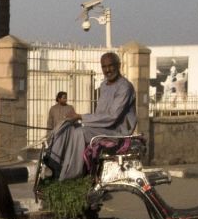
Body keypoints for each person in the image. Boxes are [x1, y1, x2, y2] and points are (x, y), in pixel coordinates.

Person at [45, 52, 137, 181]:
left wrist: (81, 117)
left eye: (111, 66)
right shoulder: (104, 85)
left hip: (117, 132)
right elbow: (100, 115)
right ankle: (54, 163)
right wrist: (77, 118)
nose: (108, 70)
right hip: (103, 128)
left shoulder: (124, 87)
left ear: (119, 65)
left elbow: (112, 117)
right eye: (104, 67)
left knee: (80, 133)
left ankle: (72, 175)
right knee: (67, 127)